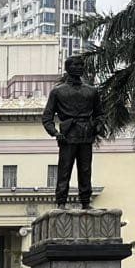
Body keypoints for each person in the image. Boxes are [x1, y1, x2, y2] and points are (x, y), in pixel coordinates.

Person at [42, 55, 102, 208]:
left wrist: (96, 127)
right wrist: (55, 133)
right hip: (67, 136)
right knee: (64, 170)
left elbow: (99, 115)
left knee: (85, 171)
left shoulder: (91, 91)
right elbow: (47, 117)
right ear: (67, 68)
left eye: (81, 65)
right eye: (75, 65)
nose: (79, 67)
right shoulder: (58, 92)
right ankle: (61, 202)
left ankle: (85, 202)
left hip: (85, 135)